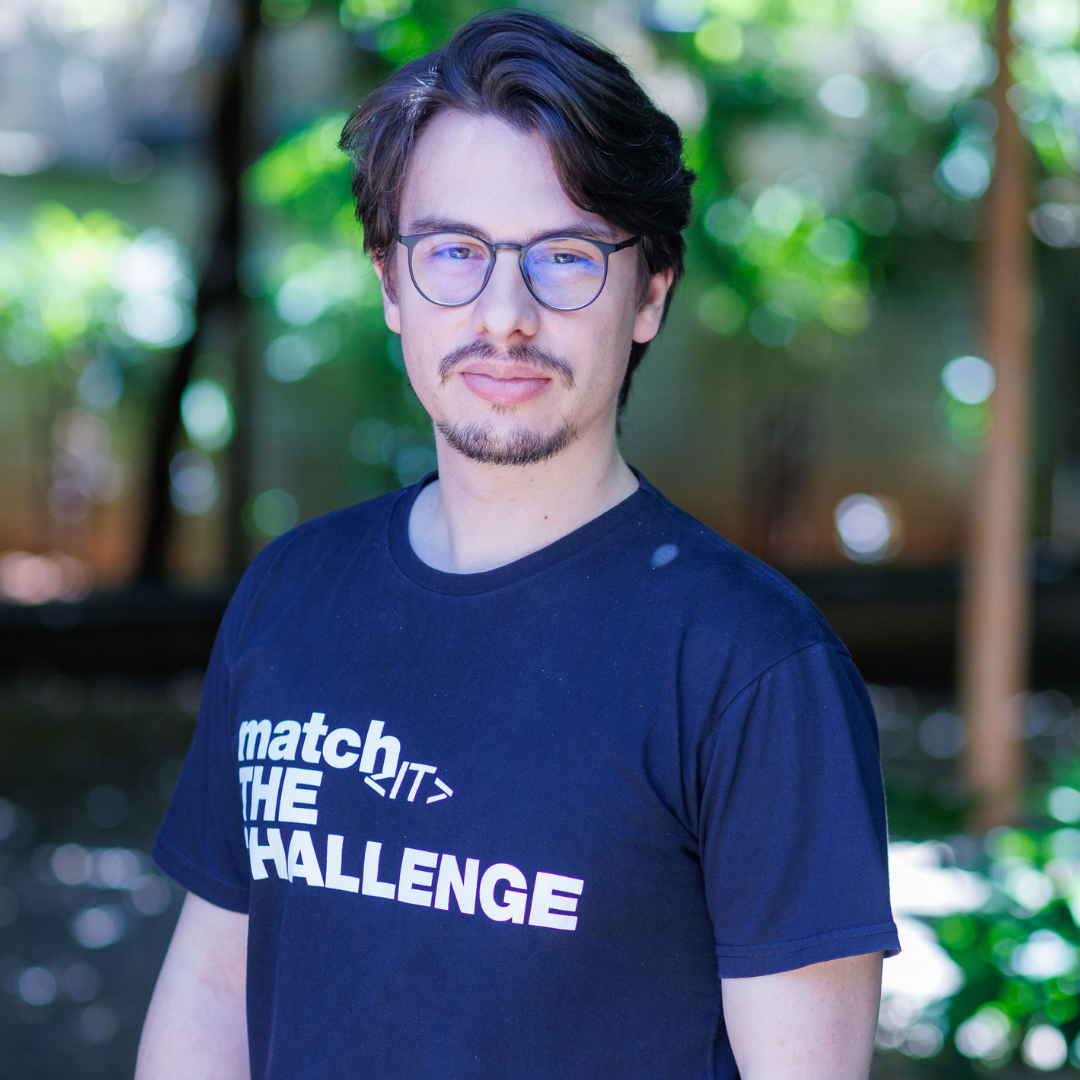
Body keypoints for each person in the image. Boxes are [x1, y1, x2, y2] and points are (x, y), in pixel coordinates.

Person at [136, 11, 899, 1079]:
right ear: (390, 282)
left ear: (650, 293)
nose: (505, 314)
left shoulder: (754, 668)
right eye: (454, 251)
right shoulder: (289, 596)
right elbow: (217, 984)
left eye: (566, 257)